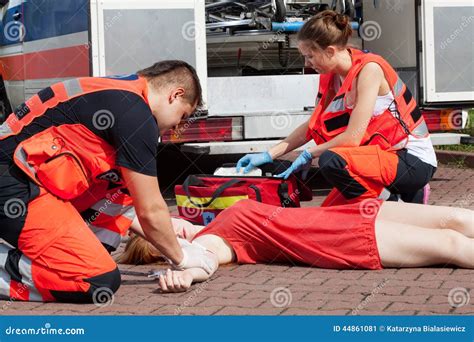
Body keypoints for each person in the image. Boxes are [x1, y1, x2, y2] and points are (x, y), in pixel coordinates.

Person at [0, 60, 214, 302]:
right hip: (15, 181)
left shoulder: (123, 94)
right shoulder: (138, 117)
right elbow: (150, 210)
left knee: (120, 191)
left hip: (19, 176)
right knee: (97, 280)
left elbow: (130, 205)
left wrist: (174, 242)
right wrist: (182, 258)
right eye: (182, 116)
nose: (176, 127)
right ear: (175, 95)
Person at [236, 10, 437, 206]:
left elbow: (353, 137)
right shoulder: (330, 76)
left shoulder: (370, 70)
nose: (307, 63)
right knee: (330, 216)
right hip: (379, 157)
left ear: (330, 51)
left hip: (411, 160)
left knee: (331, 160)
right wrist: (268, 154)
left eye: (310, 56)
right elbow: (313, 126)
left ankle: (398, 206)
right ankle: (395, 200)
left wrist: (309, 153)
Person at [119, 199, 473, 293]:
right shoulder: (206, 242)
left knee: (457, 219)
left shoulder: (212, 226)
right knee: (451, 243)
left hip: (346, 214)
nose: (167, 217)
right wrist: (185, 273)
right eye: (157, 227)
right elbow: (204, 263)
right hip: (342, 239)